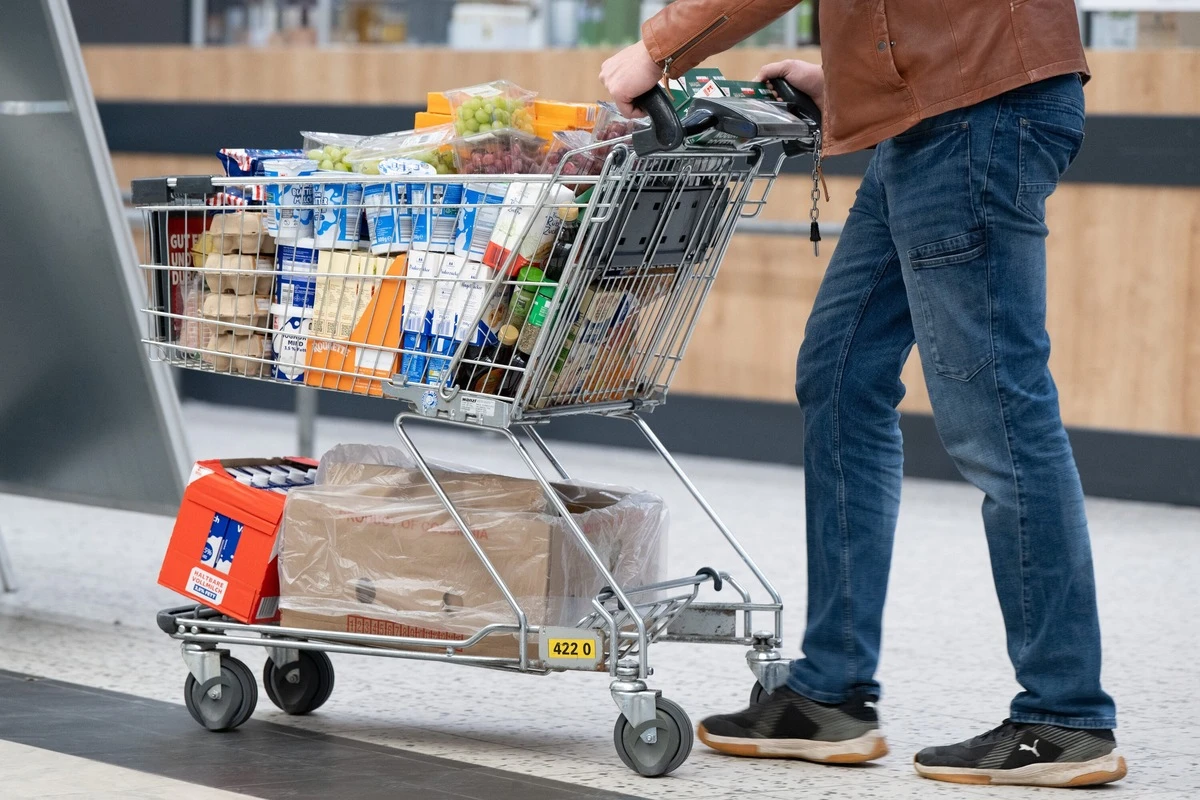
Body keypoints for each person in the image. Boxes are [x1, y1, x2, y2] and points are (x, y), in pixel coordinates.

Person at [601, 0, 1125, 789]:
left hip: (973, 117)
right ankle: (831, 696)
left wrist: (659, 48)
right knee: (839, 375)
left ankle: (1066, 713)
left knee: (998, 414)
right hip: (935, 111)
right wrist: (853, 82)